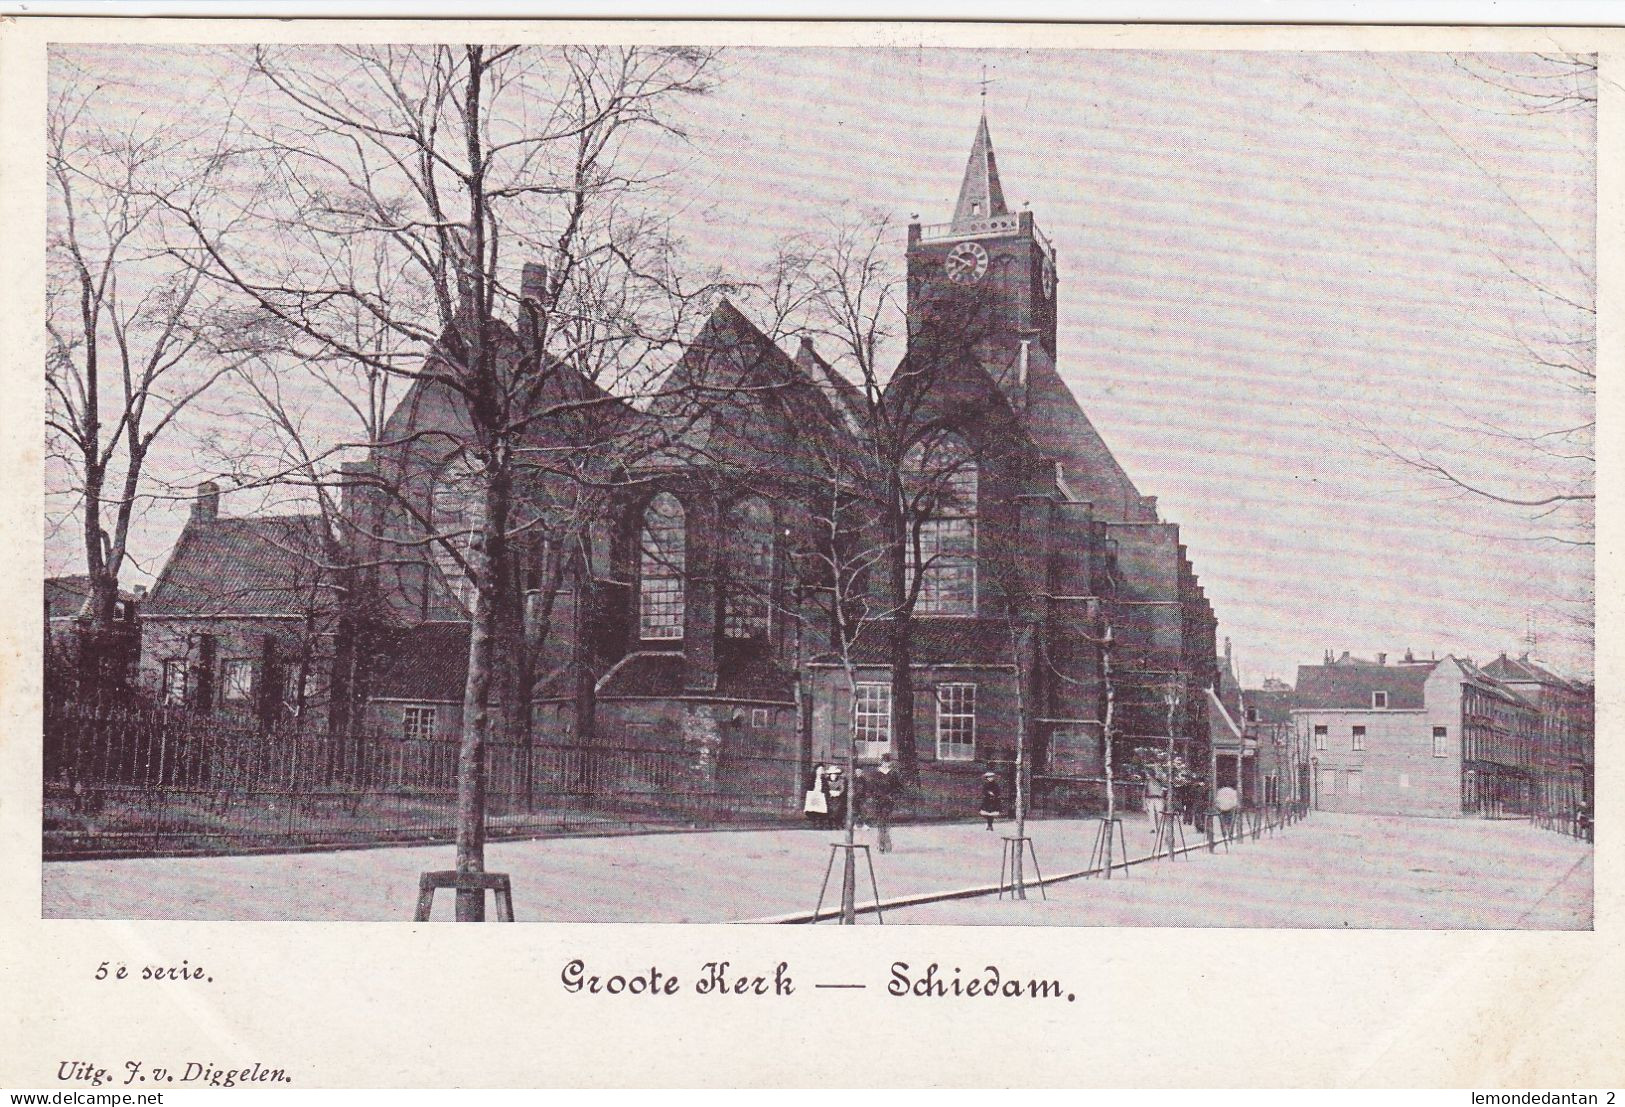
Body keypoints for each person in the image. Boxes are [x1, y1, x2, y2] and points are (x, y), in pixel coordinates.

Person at [870, 754, 903, 853]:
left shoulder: (893, 774)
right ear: (881, 762)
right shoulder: (876, 774)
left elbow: (898, 788)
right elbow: (872, 787)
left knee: (887, 822)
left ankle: (887, 844)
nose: (886, 764)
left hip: (889, 801)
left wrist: (893, 796)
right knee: (880, 822)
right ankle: (881, 844)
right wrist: (875, 796)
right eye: (884, 762)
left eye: (888, 762)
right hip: (878, 800)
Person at [824, 765, 848, 830]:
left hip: (838, 799)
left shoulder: (841, 781)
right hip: (829, 798)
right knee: (829, 810)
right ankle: (830, 824)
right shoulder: (826, 781)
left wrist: (838, 793)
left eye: (835, 774)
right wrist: (829, 793)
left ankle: (838, 823)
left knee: (838, 809)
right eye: (832, 774)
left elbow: (842, 789)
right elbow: (825, 789)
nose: (833, 776)